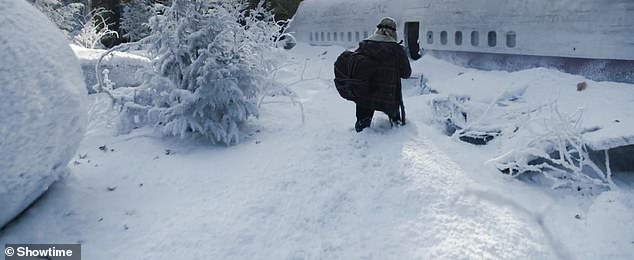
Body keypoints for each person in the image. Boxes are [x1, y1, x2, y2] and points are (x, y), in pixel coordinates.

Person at [354, 17, 412, 132]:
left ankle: (361, 133)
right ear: (393, 32)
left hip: (365, 95)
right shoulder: (397, 49)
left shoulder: (364, 45)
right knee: (397, 128)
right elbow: (406, 73)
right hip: (388, 97)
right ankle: (395, 130)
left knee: (362, 128)